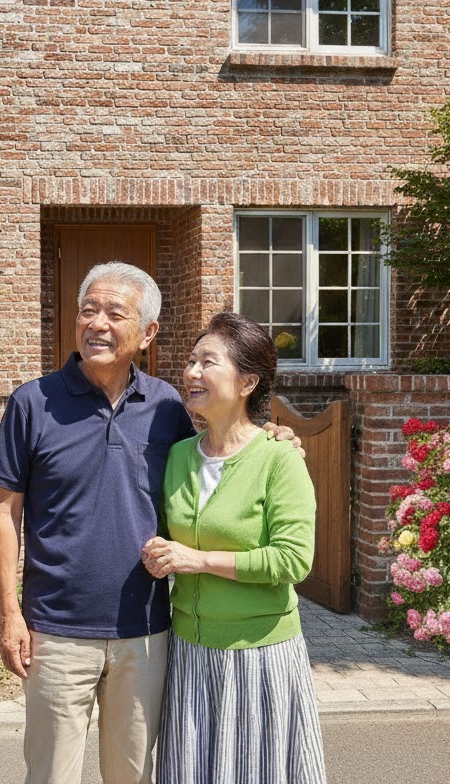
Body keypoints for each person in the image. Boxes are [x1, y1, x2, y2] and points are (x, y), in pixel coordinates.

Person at [0, 263, 301, 784]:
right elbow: (3, 511)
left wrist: (275, 437)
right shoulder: (32, 403)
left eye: (115, 313)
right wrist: (9, 614)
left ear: (148, 333)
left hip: (147, 632)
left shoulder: (167, 408)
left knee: (132, 774)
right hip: (56, 630)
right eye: (88, 310)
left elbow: (223, 446)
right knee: (50, 775)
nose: (98, 324)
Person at [142, 310, 327, 784]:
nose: (192, 373)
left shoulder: (278, 457)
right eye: (190, 361)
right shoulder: (180, 455)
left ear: (247, 382)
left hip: (260, 659)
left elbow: (293, 559)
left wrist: (196, 560)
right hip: (189, 653)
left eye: (208, 362)